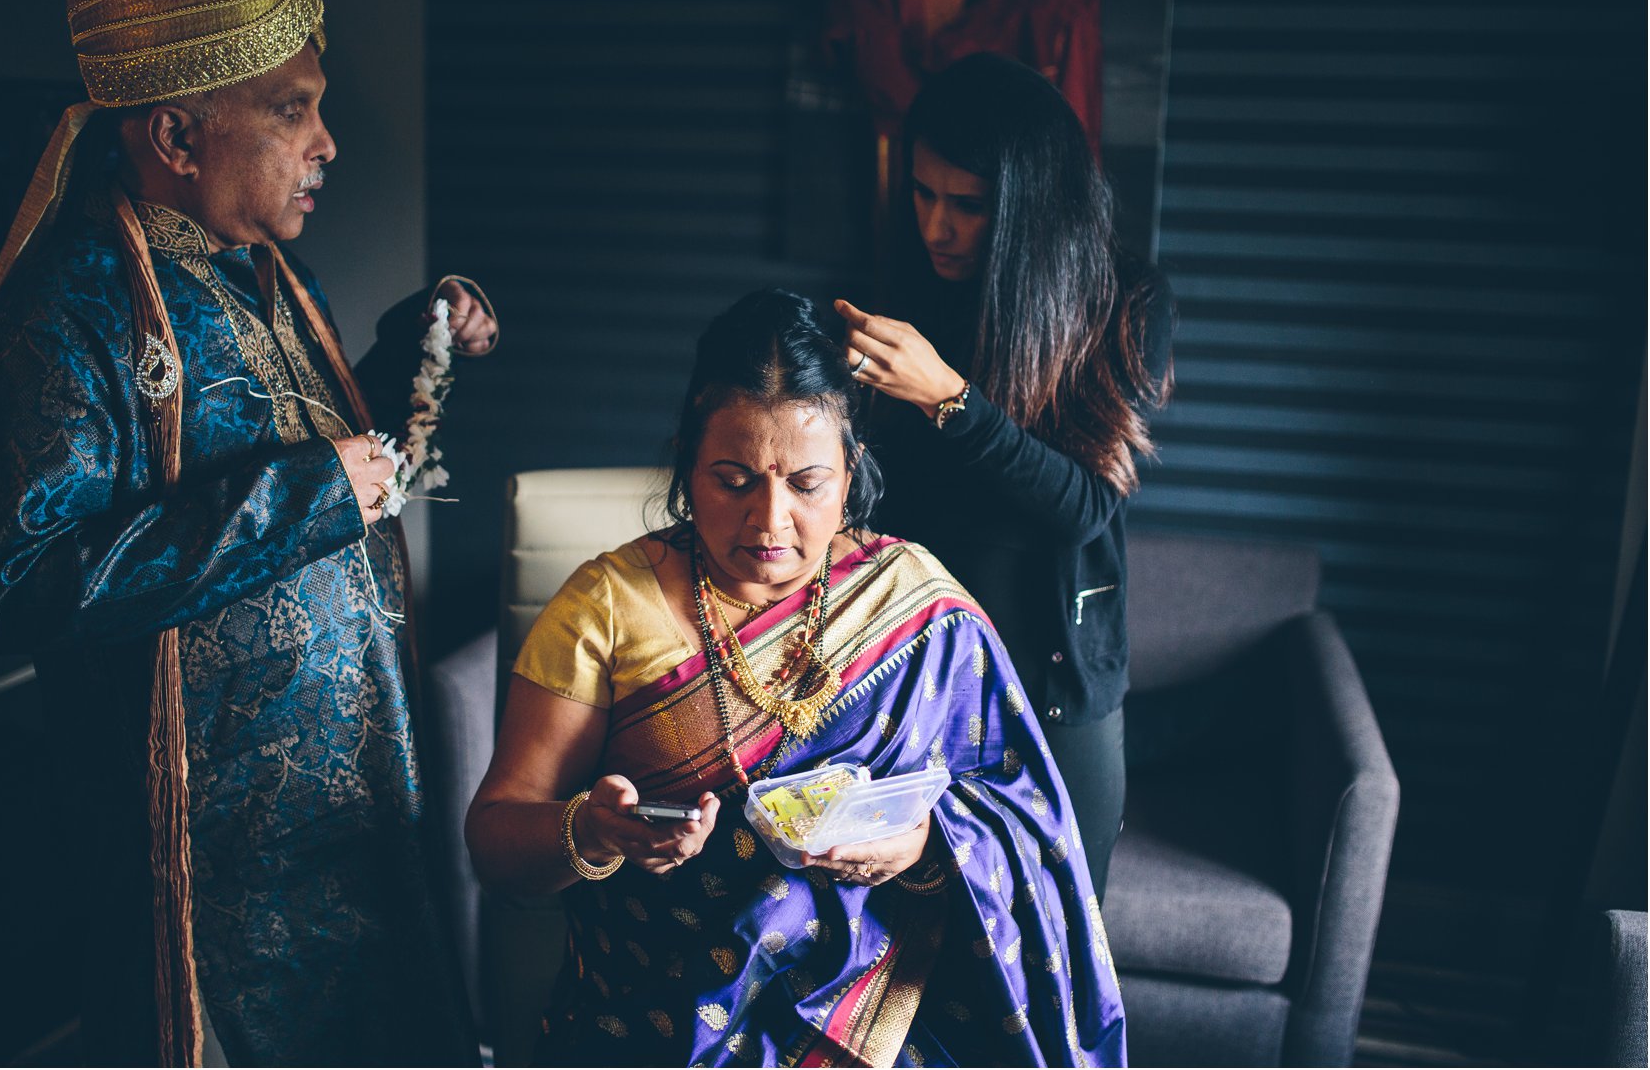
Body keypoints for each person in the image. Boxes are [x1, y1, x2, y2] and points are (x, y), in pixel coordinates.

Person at [0, 0, 491, 1064]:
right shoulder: (59, 320)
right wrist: (311, 496)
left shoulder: (264, 275)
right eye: (293, 111)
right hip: (214, 859)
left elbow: (339, 459)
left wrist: (418, 350)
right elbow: (26, 585)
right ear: (178, 136)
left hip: (353, 805)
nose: (328, 145)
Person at [466, 288, 1126, 1067]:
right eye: (733, 479)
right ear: (686, 461)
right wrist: (592, 828)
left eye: (807, 484)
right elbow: (494, 839)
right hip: (656, 1016)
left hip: (883, 1018)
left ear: (850, 473)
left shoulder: (914, 597)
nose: (770, 521)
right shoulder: (606, 606)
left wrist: (923, 843)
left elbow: (1020, 816)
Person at [835, 52, 1173, 903]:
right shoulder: (911, 292)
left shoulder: (1124, 303)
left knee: (1058, 936)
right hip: (920, 674)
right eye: (921, 194)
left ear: (1031, 206)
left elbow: (1084, 505)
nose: (935, 227)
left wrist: (949, 398)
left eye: (968, 205)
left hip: (1057, 686)